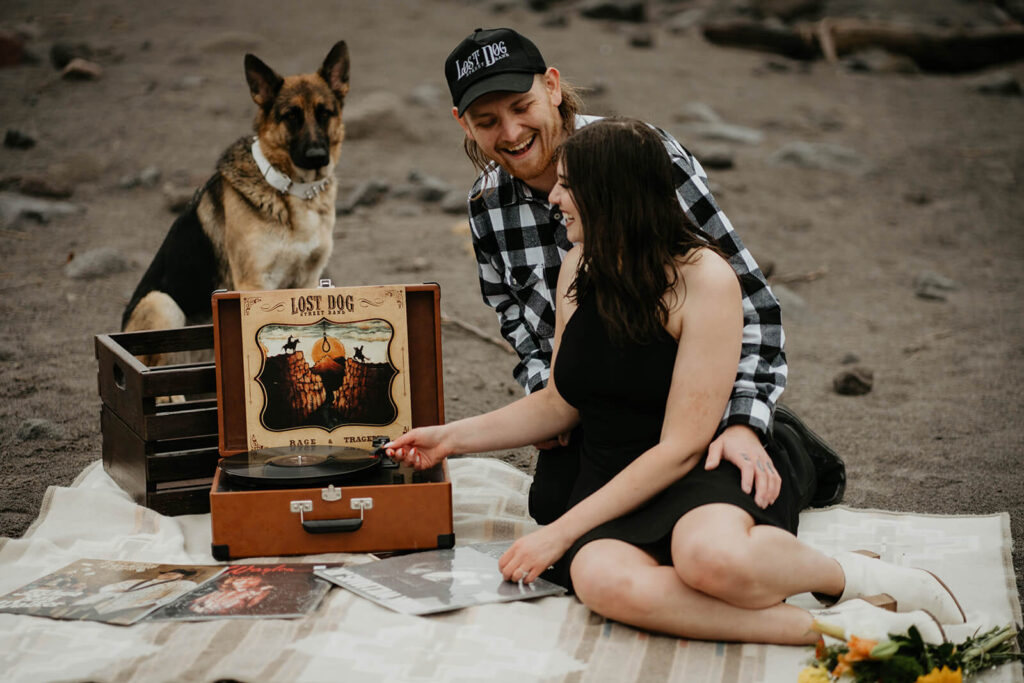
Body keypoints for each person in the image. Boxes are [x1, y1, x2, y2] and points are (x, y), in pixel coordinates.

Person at [385, 118, 964, 644]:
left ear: (612, 195)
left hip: (697, 465)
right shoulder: (575, 268)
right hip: (610, 472)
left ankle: (856, 576)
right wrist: (450, 438)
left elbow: (681, 446)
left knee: (710, 561)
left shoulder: (704, 279)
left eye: (568, 185)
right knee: (601, 582)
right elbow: (561, 403)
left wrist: (559, 533)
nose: (555, 198)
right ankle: (842, 631)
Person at [443, 28, 844, 525]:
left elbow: (749, 301)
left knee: (691, 490)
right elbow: (514, 315)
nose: (509, 132)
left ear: (551, 86)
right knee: (551, 505)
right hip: (596, 399)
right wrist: (547, 391)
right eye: (487, 121)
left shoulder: (639, 159)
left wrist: (743, 419)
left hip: (678, 390)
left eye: (521, 107)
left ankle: (784, 441)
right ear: (463, 124)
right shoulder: (486, 204)